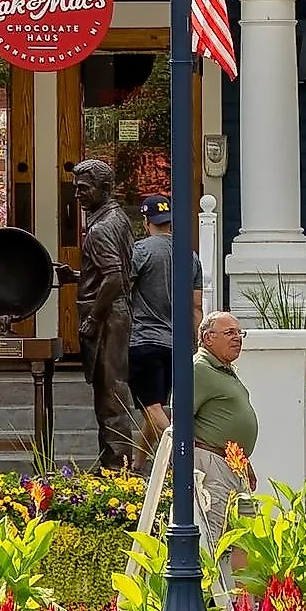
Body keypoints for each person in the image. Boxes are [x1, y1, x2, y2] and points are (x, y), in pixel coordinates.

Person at [71, 158, 141, 469]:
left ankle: (116, 468)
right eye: (76, 189)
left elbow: (114, 277)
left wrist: (93, 319)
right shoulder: (118, 218)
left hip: (108, 318)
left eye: (84, 189)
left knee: (110, 396)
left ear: (106, 189)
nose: (78, 194)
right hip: (118, 312)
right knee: (113, 391)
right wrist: (78, 276)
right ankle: (113, 463)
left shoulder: (100, 228)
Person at [186, 310, 259, 551]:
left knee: (242, 540)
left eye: (240, 333)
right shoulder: (199, 368)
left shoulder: (222, 369)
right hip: (212, 465)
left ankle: (238, 591)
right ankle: (205, 589)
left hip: (232, 463)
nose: (237, 338)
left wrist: (243, 463)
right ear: (208, 338)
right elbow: (183, 417)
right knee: (210, 536)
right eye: (230, 332)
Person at [127, 194, 175, 462]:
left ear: (146, 221)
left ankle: (184, 457)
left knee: (153, 407)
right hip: (173, 343)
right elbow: (195, 307)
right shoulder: (189, 256)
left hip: (143, 340)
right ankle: (138, 465)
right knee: (153, 406)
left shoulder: (140, 251)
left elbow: (122, 288)